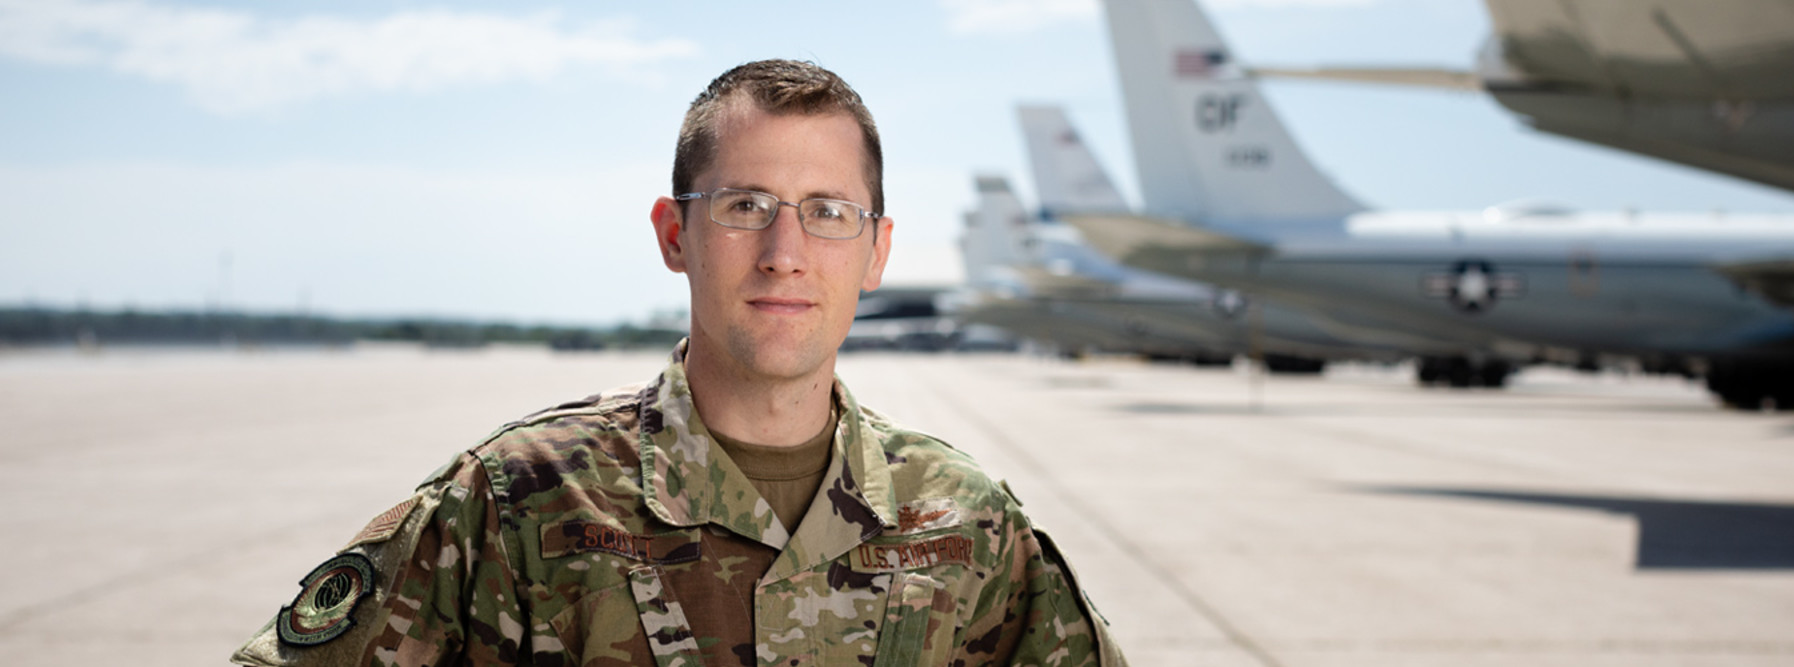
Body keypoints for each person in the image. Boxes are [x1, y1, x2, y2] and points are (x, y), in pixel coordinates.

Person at [231, 59, 1126, 667]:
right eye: (745, 204)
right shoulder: (518, 501)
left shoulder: (967, 523)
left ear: (877, 250)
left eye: (828, 211)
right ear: (675, 235)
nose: (785, 250)